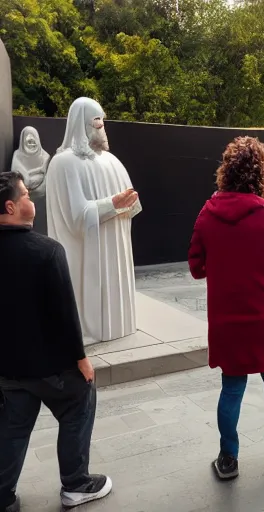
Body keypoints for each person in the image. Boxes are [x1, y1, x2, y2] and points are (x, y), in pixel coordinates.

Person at [188, 136, 264, 480]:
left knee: (232, 386)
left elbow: (196, 266)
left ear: (225, 171)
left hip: (226, 318)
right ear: (262, 175)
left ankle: (228, 459)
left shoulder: (207, 213)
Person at [0, 171, 112, 512]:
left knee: (14, 428)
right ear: (11, 206)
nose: (30, 200)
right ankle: (76, 484)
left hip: (8, 370)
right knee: (80, 401)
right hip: (51, 368)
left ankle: (2, 496)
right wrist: (81, 360)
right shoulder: (46, 251)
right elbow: (65, 312)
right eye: (25, 196)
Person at [46, 97, 141, 345]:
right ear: (81, 123)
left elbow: (132, 205)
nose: (102, 126)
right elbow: (75, 217)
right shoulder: (63, 163)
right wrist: (112, 204)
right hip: (89, 255)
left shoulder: (113, 162)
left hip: (115, 250)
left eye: (102, 120)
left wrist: (126, 203)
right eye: (96, 121)